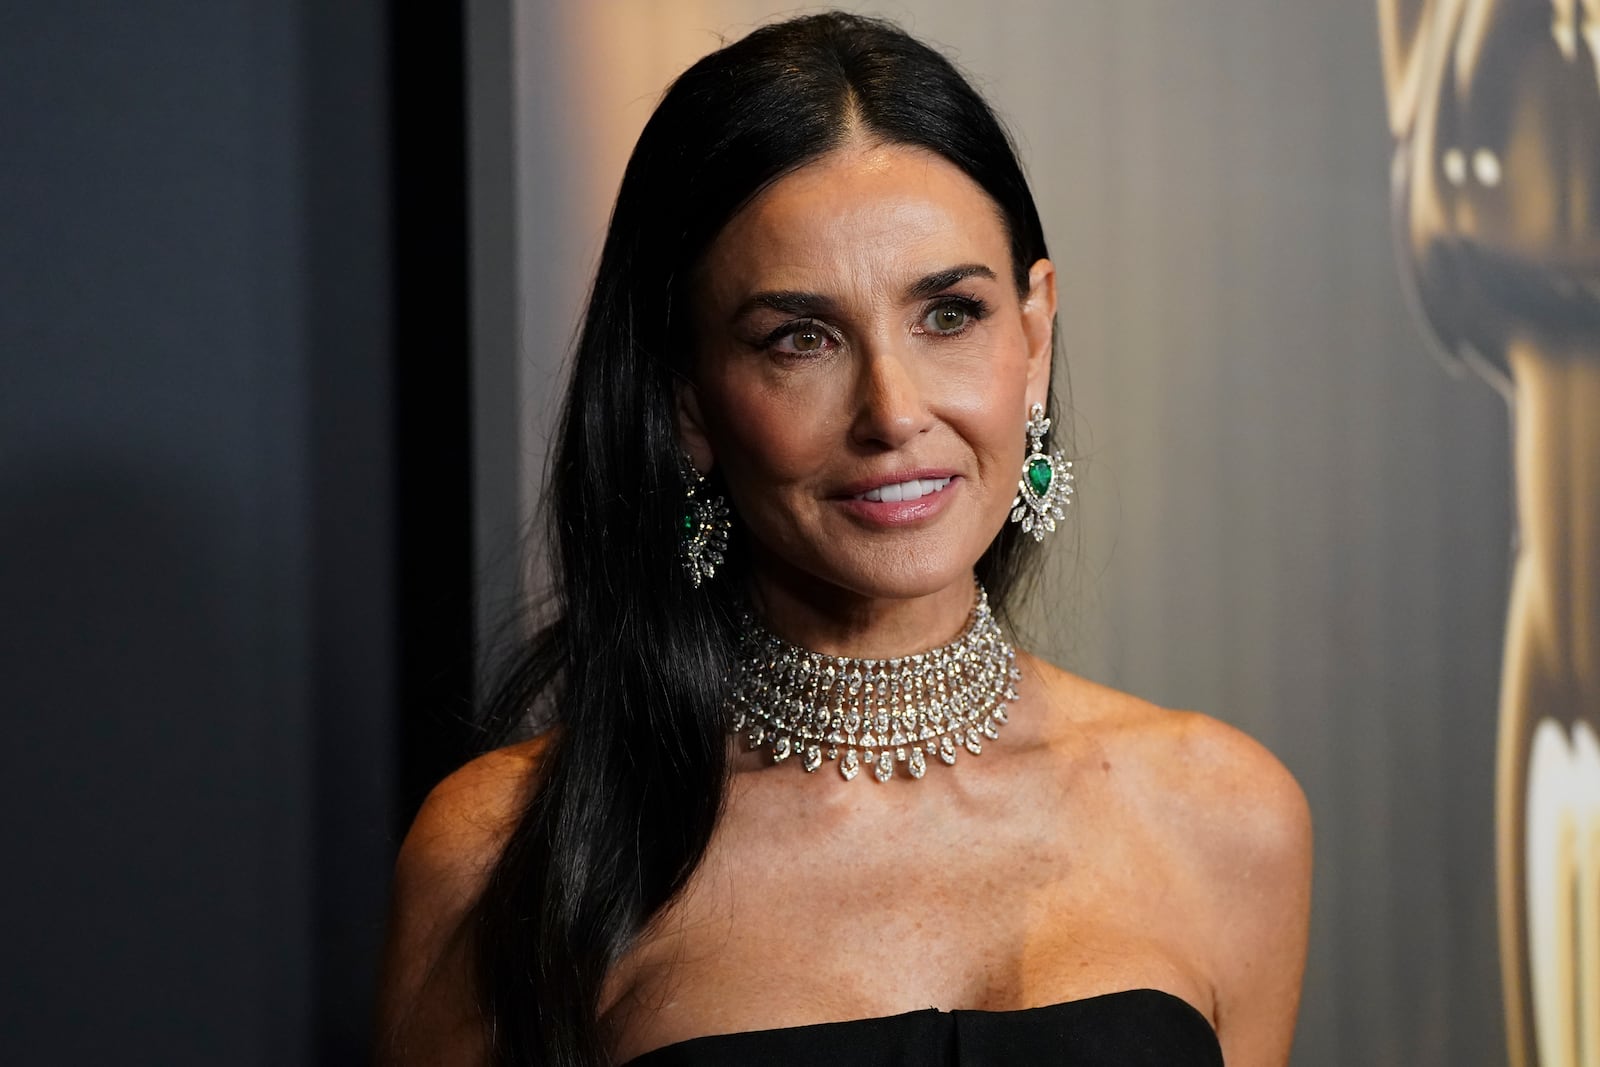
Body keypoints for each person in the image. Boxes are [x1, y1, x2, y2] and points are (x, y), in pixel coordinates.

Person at [375, 12, 1311, 1067]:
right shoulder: (505, 852)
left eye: (948, 313)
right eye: (799, 338)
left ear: (1034, 334)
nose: (893, 411)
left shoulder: (1223, 817)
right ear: (684, 397)